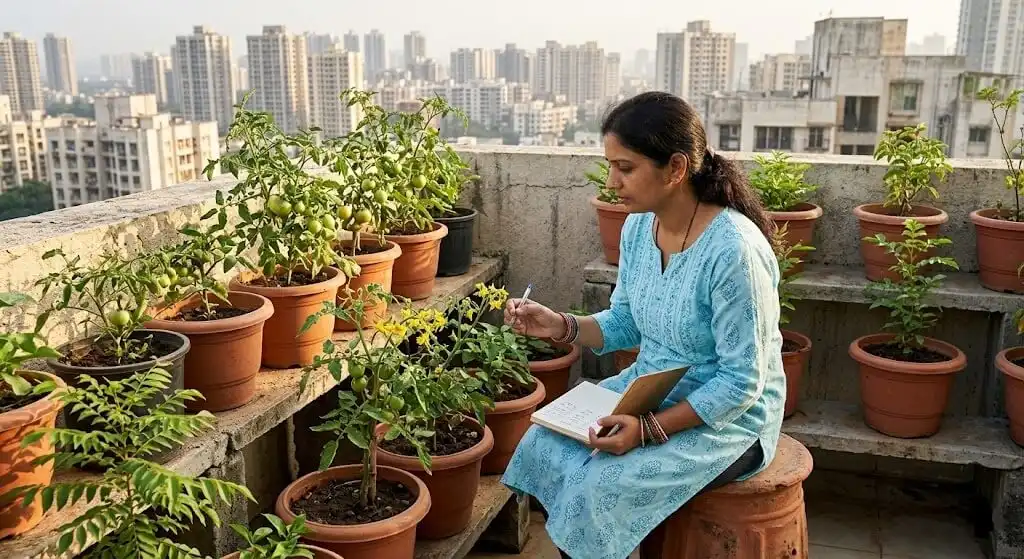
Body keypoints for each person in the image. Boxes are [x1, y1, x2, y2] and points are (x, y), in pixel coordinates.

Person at [499, 91, 785, 559]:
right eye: (610, 165)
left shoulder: (734, 251)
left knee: (599, 482)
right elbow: (628, 323)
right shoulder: (638, 228)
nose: (611, 182)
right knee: (543, 442)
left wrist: (648, 429)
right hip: (646, 390)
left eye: (625, 168)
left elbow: (742, 383)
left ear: (675, 168)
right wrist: (560, 325)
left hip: (728, 421)